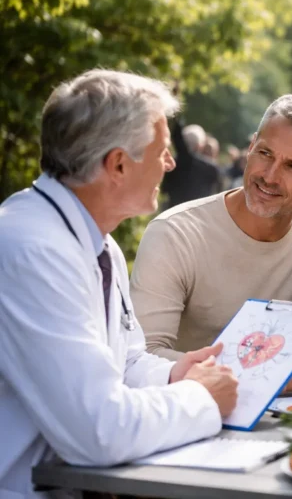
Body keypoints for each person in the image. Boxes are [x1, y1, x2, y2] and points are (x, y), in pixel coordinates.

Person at [0, 69, 239, 498]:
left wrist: (173, 374)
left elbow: (123, 361)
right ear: (118, 164)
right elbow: (99, 431)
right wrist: (200, 398)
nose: (171, 163)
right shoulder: (33, 249)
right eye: (162, 150)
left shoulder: (97, 241)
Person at [131, 94, 292, 400]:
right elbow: (142, 360)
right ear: (250, 148)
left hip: (289, 426)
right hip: (191, 420)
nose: (269, 176)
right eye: (265, 153)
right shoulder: (176, 234)